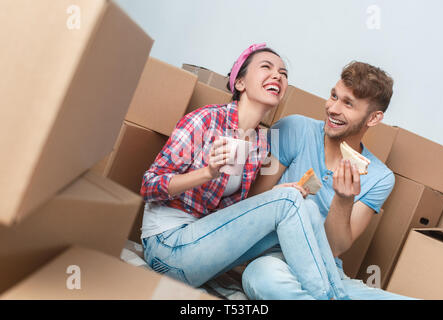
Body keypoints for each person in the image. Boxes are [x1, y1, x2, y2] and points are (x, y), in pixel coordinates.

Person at [139, 43, 352, 300]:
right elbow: (148, 186)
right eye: (267, 67)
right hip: (167, 247)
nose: (278, 76)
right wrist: (207, 173)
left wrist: (274, 195)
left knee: (306, 206)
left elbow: (232, 217)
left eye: (283, 74)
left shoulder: (261, 142)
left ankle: (339, 296)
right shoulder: (206, 120)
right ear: (240, 83)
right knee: (289, 202)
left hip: (203, 246)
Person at [241, 61, 415, 300]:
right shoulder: (294, 128)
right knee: (263, 279)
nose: (333, 108)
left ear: (373, 118)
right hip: (273, 259)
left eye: (348, 104)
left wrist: (344, 200)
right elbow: (251, 205)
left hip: (327, 271)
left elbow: (334, 248)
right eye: (334, 96)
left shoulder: (379, 177)